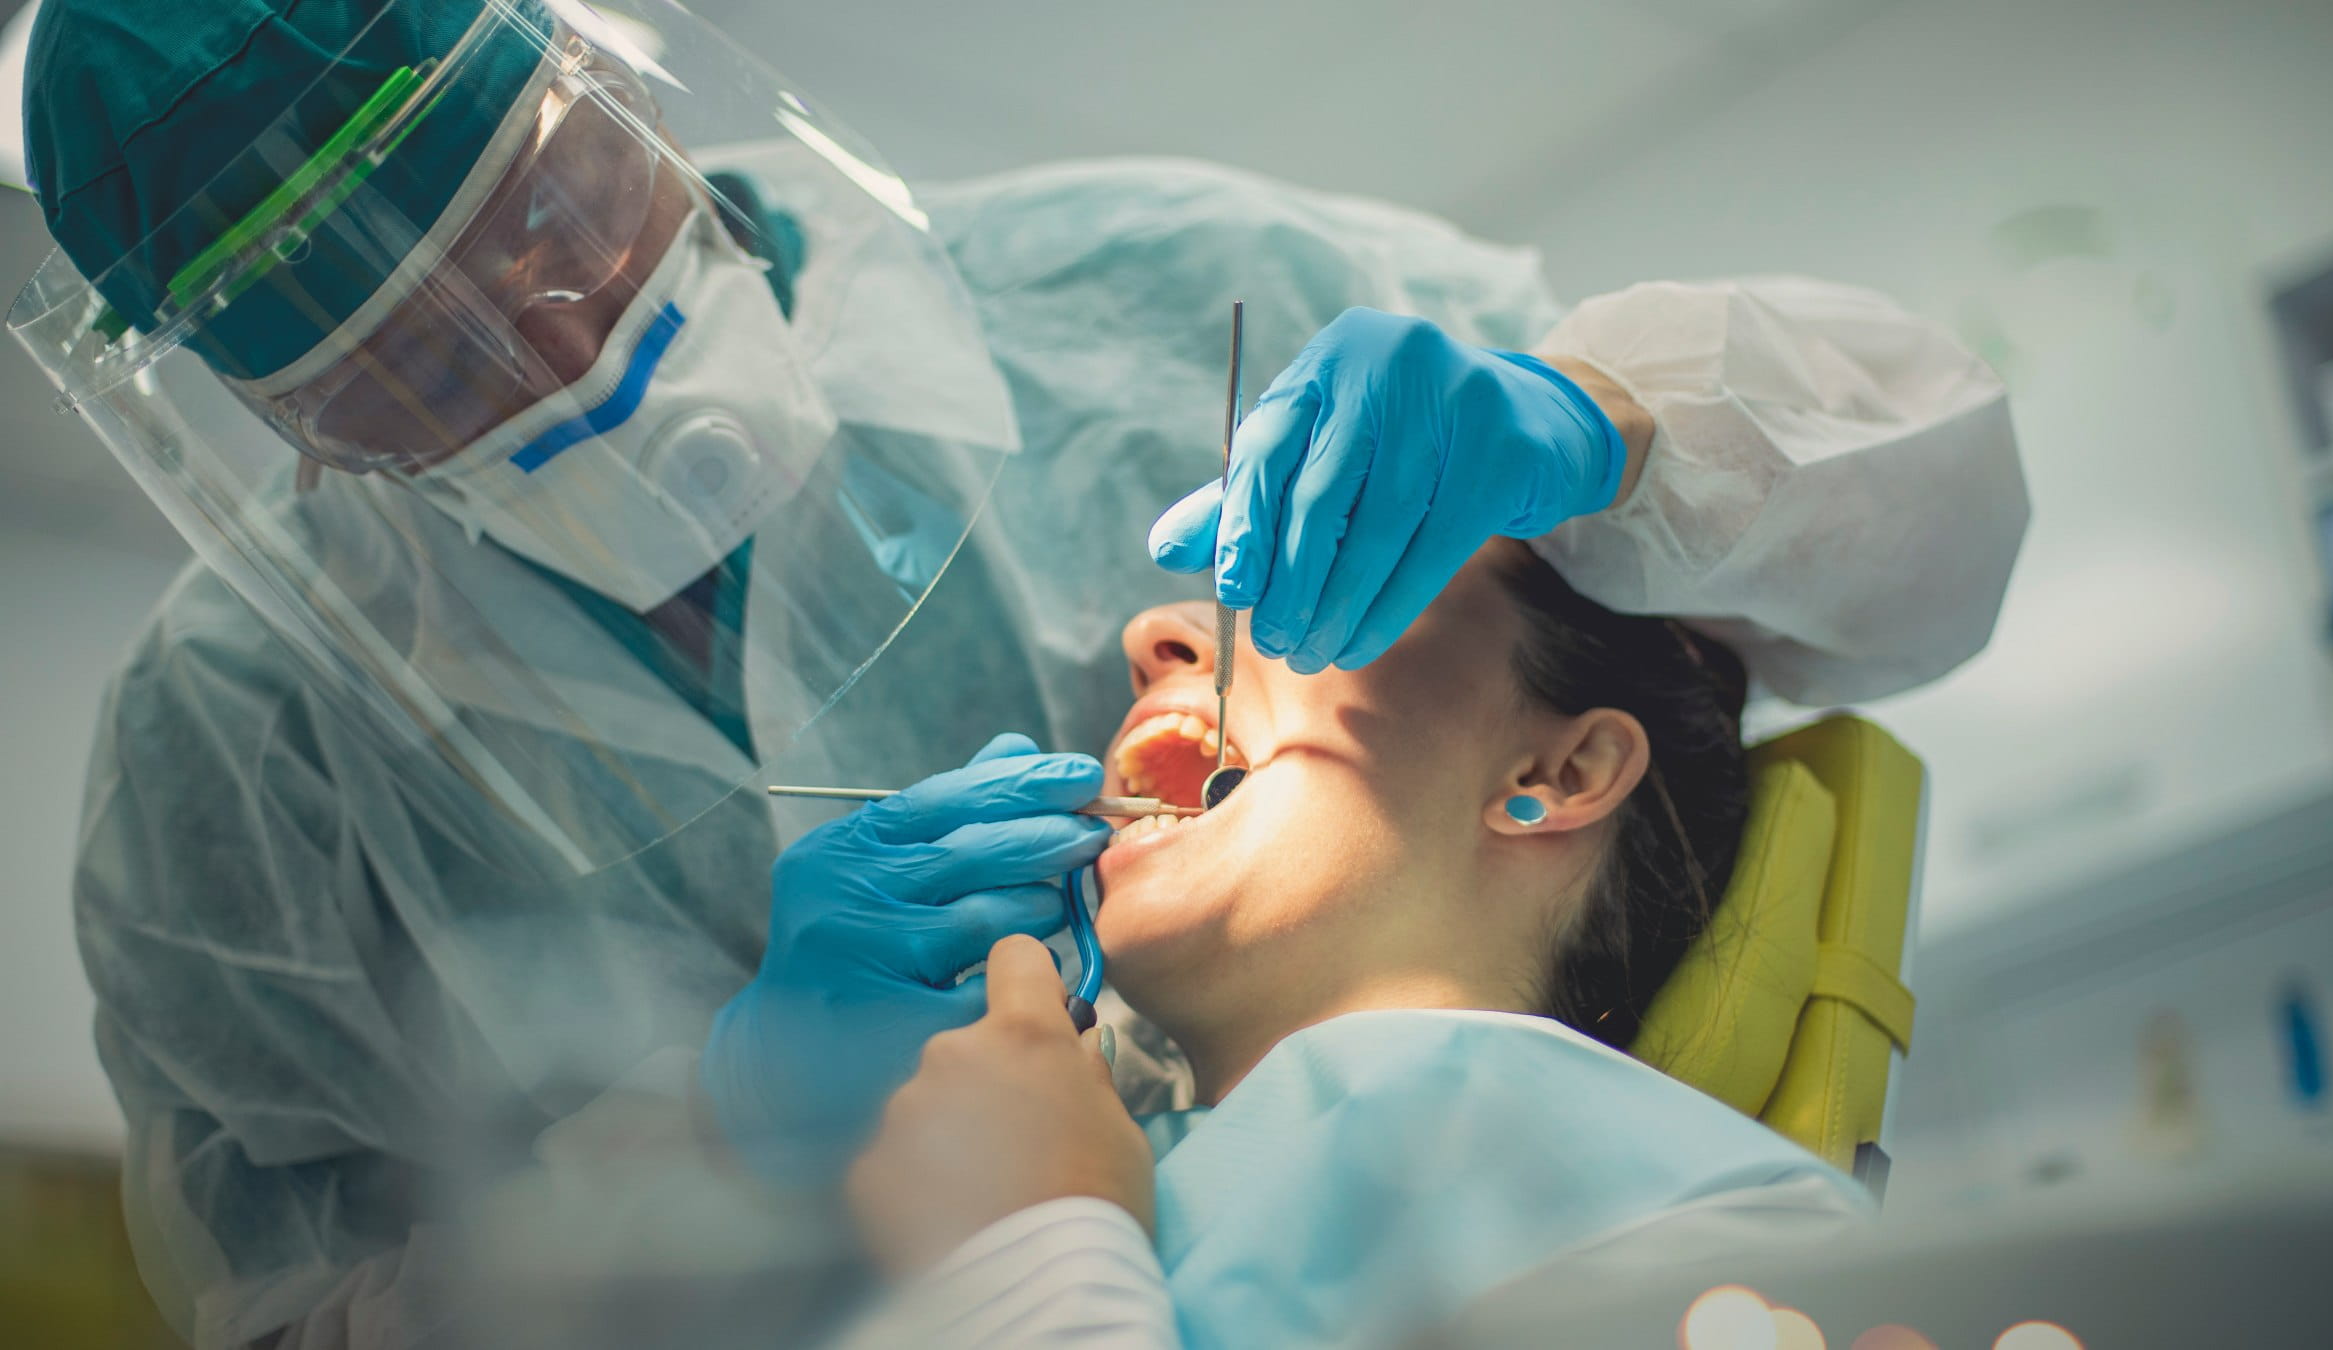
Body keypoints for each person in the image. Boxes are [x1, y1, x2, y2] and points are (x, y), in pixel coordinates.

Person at [7, 0, 2026, 1344]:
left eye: (541, 210)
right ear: (271, 410)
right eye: (404, 353)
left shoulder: (1130, 295)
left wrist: (1598, 425)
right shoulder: (252, 755)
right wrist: (716, 1134)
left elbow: (1919, 506)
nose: (535, 338)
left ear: (613, 89)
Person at [842, 542, 1862, 1348]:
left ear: (1560, 769)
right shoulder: (1075, 1170)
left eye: (1332, 580)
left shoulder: (1717, 1228)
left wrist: (1028, 1265)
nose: (1154, 632)